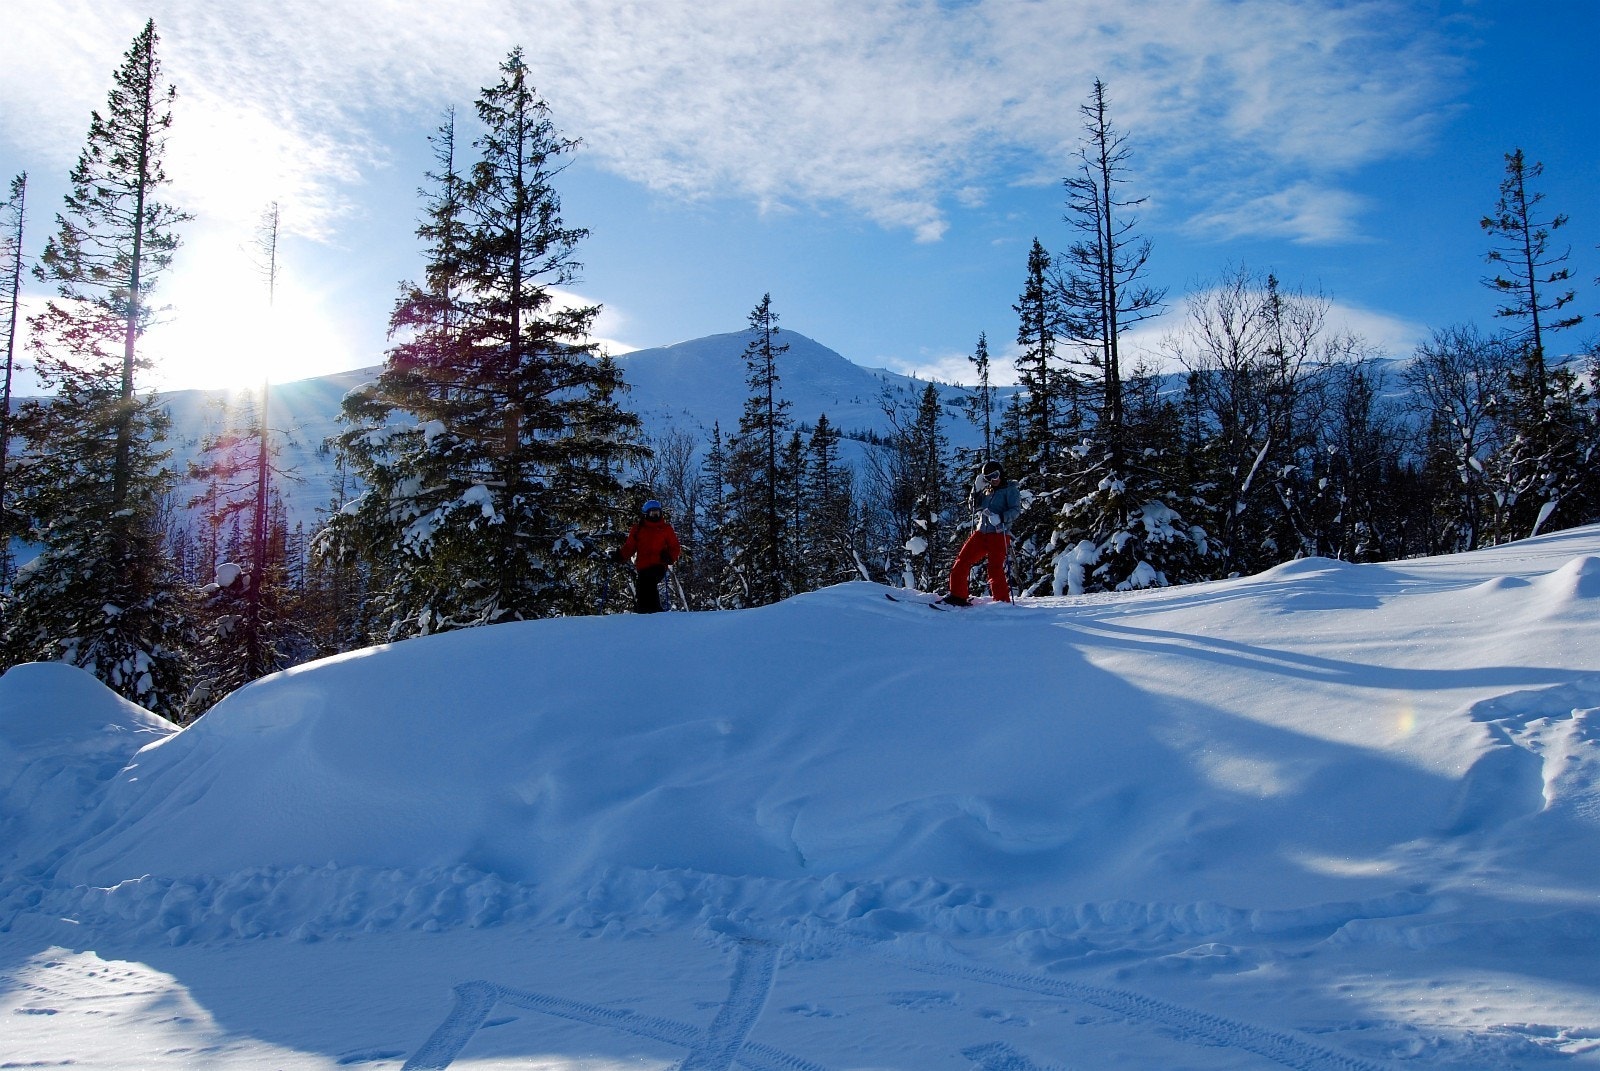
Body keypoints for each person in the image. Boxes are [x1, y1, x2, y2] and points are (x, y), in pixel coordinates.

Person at [943, 460, 1020, 605]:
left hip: (999, 533)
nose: (993, 480)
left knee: (995, 568)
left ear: (1001, 473)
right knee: (962, 560)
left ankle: (1002, 602)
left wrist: (1001, 517)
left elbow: (1016, 510)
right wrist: (976, 489)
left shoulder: (1010, 489)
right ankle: (958, 595)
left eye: (995, 475)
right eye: (988, 478)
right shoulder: (987, 490)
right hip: (982, 532)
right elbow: (973, 507)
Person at [616, 499, 681, 613]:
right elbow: (630, 547)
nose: (655, 516)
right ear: (646, 514)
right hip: (643, 566)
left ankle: (654, 611)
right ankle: (643, 613)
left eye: (657, 513)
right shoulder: (638, 529)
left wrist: (670, 557)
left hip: (659, 564)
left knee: (649, 582)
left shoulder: (665, 529)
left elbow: (674, 546)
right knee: (641, 587)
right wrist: (621, 556)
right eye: (652, 513)